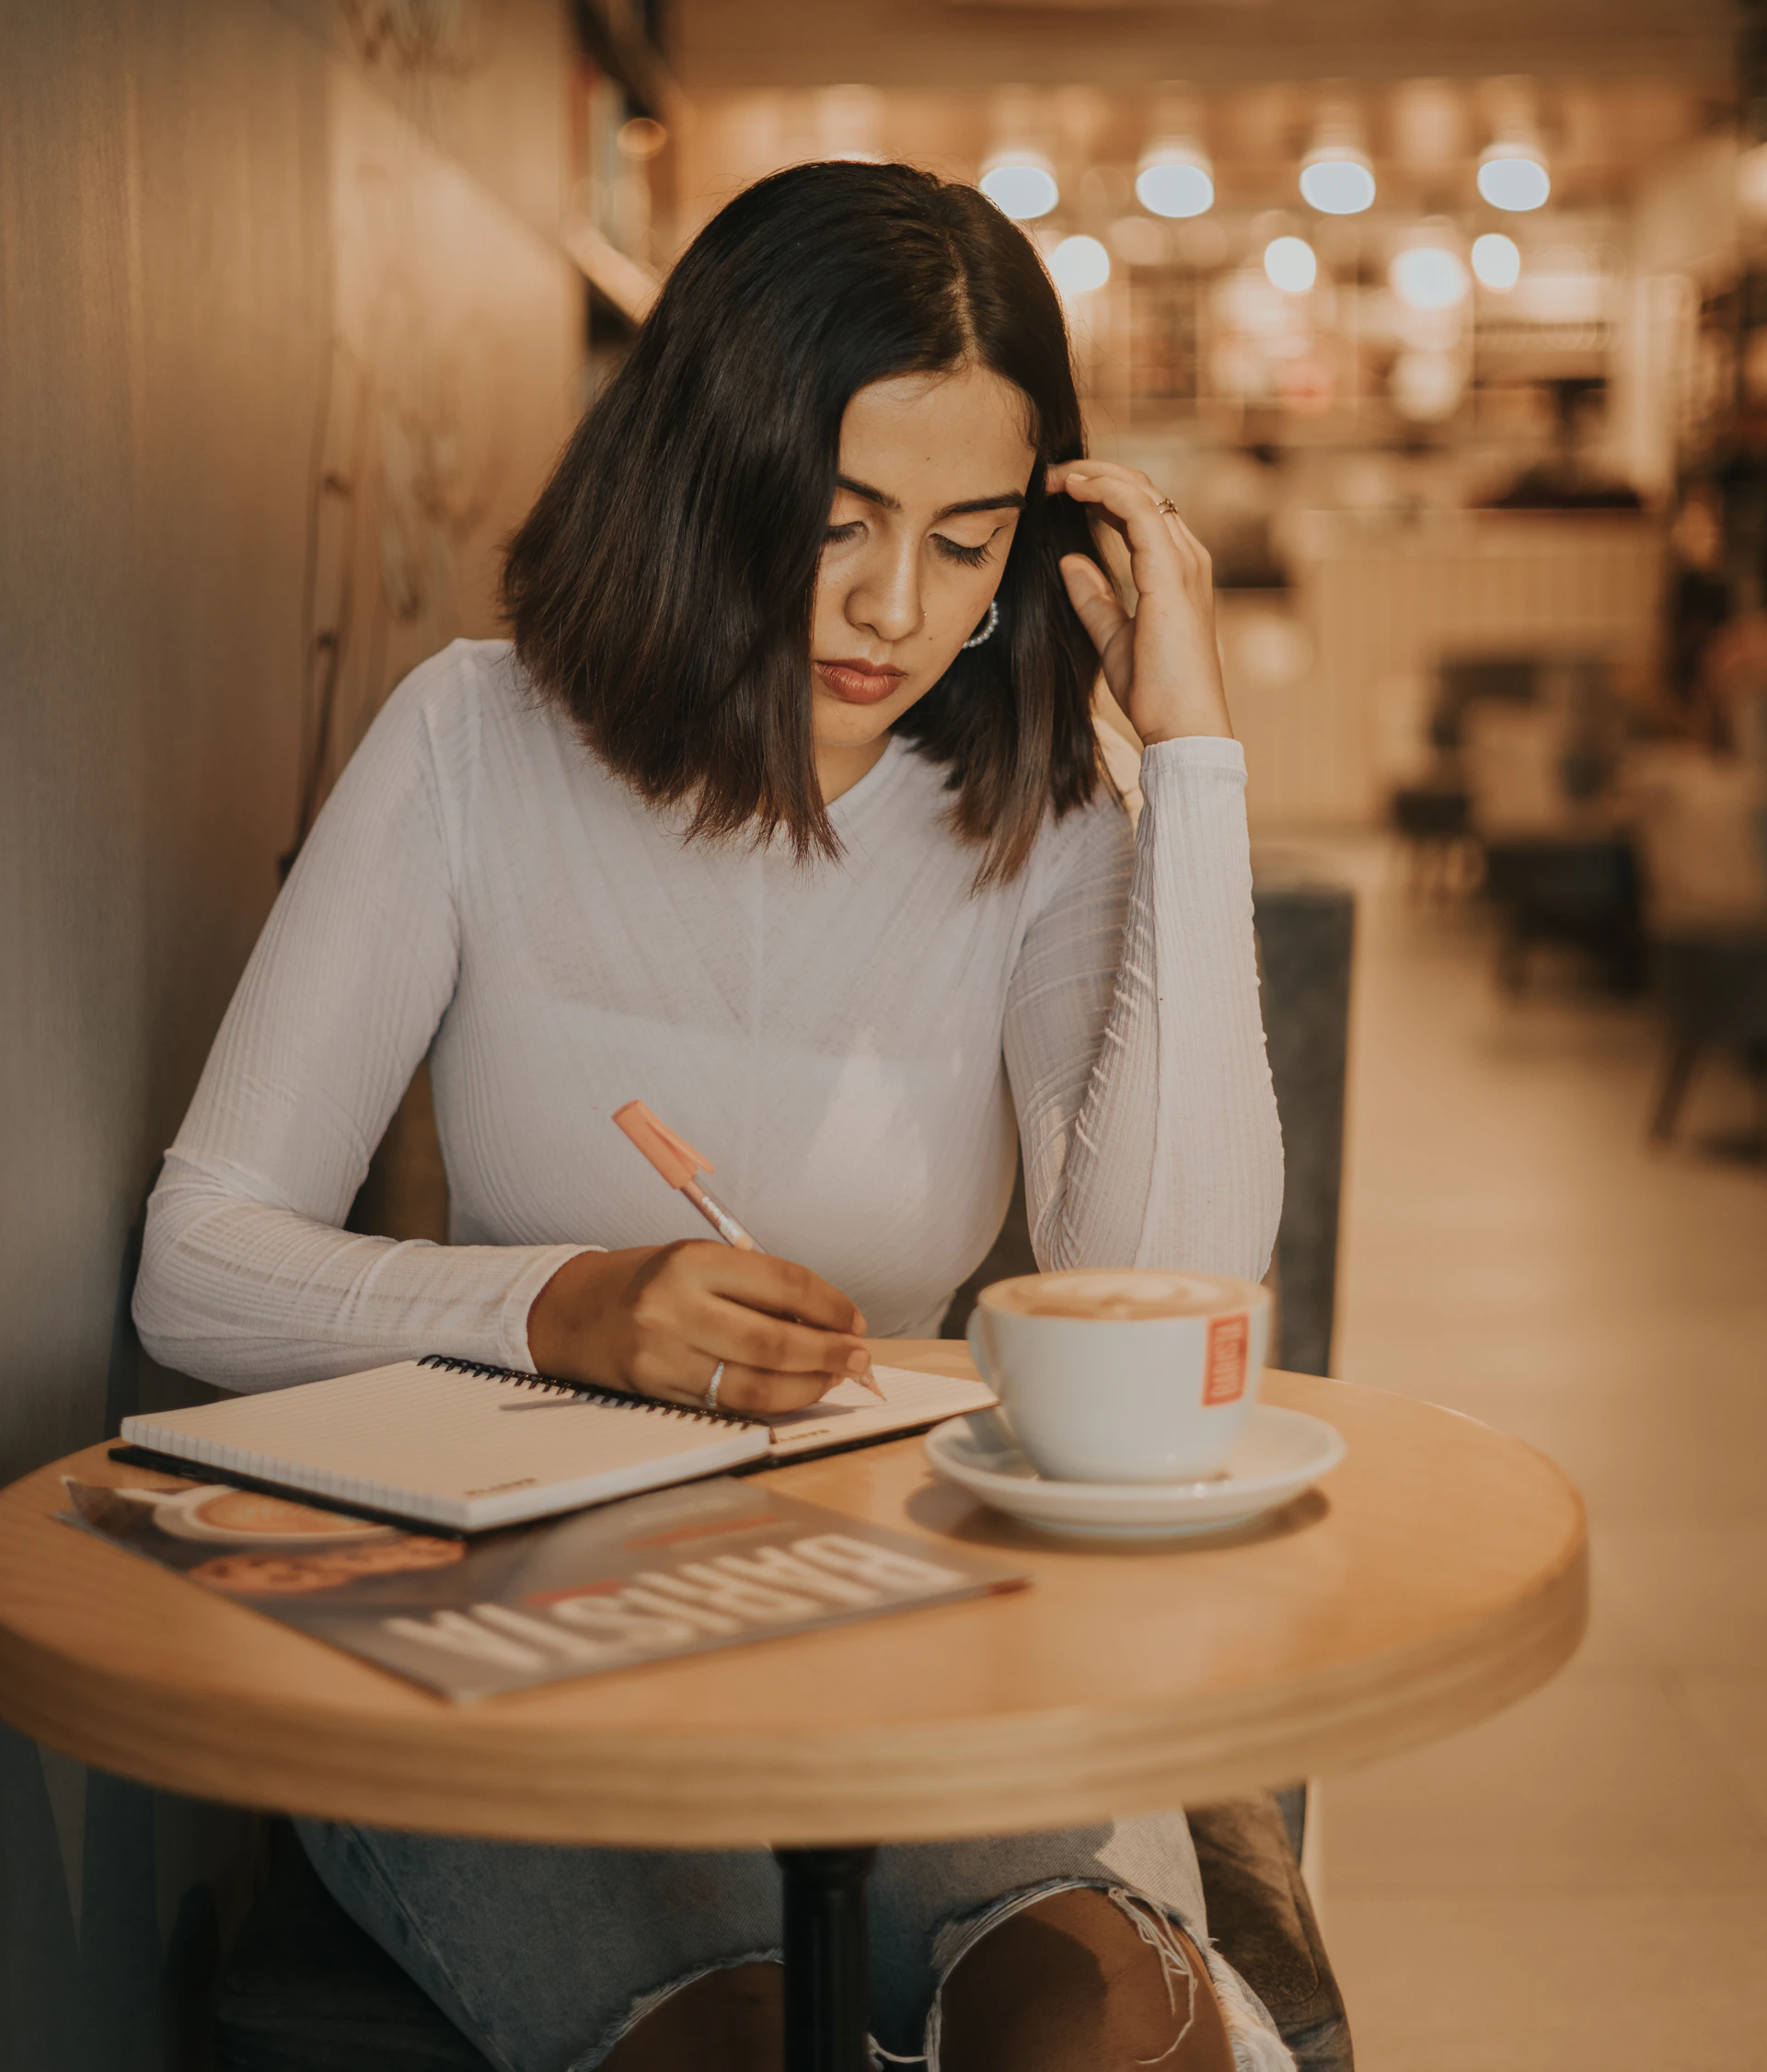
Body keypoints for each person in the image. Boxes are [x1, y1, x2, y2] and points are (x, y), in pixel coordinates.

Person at [133, 162, 1287, 2072]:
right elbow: (198, 1259)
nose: (894, 607)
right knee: (733, 2043)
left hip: (907, 1588)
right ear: (704, 471)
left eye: (966, 538)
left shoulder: (1041, 796)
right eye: (833, 523)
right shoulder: (475, 742)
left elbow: (1165, 1294)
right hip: (497, 1617)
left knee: (1097, 2029)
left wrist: (1195, 764)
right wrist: (558, 1303)